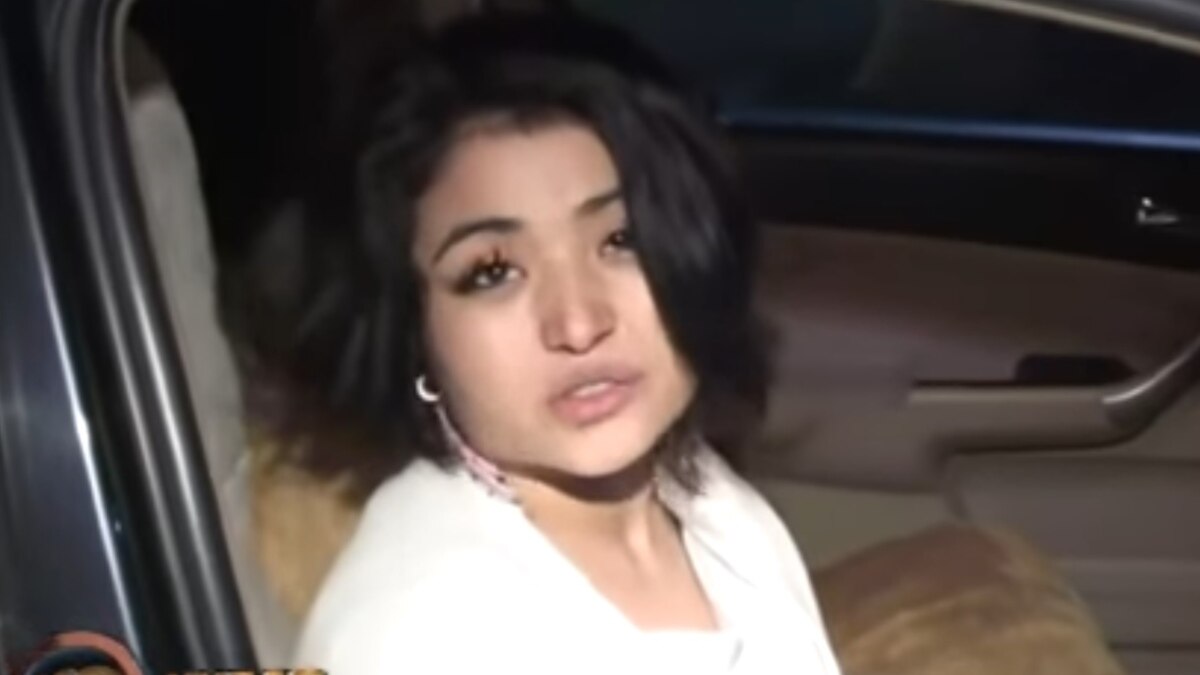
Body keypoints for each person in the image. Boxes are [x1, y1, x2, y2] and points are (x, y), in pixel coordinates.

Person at [257, 12, 841, 675]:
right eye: (493, 273)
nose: (579, 323)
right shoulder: (418, 634)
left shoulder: (710, 502)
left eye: (621, 240)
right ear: (414, 331)